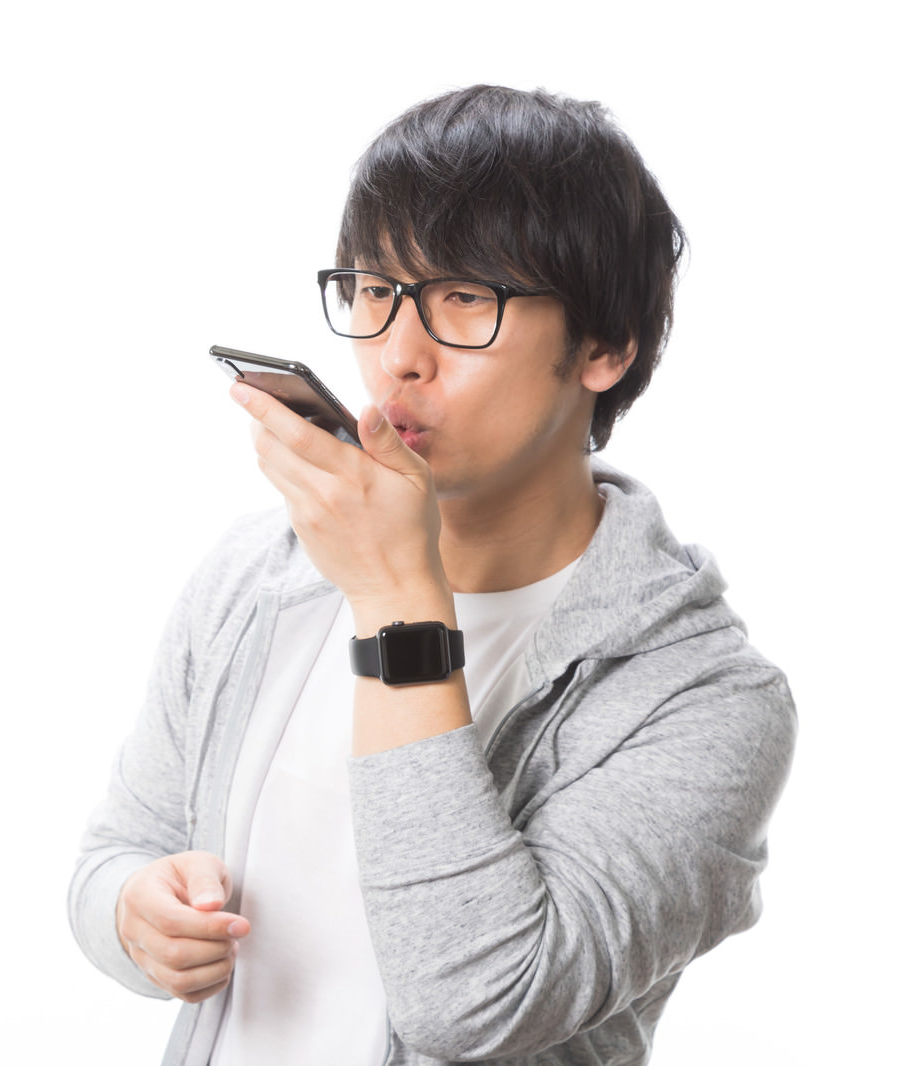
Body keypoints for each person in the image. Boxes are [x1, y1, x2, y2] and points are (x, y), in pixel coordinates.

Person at [68, 84, 795, 1066]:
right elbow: (119, 846)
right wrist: (130, 912)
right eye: (375, 291)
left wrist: (397, 601)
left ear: (605, 345)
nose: (397, 357)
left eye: (465, 300)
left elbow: (477, 1003)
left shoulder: (701, 698)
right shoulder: (258, 574)